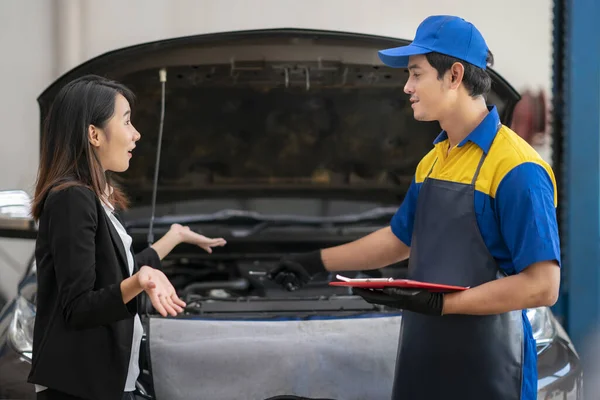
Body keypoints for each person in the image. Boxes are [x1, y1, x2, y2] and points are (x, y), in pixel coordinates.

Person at [267, 15, 561, 400]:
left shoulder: (517, 169)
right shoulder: (435, 160)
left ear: (454, 75)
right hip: (423, 357)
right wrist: (314, 262)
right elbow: (399, 239)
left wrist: (443, 304)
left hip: (491, 369)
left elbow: (543, 286)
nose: (407, 87)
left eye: (416, 74)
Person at [27, 75, 226, 400]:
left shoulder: (97, 198)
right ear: (94, 134)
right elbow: (78, 307)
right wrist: (140, 281)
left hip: (110, 381)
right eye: (127, 121)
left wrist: (173, 237)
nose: (136, 134)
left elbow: (123, 270)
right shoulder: (71, 199)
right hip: (78, 389)